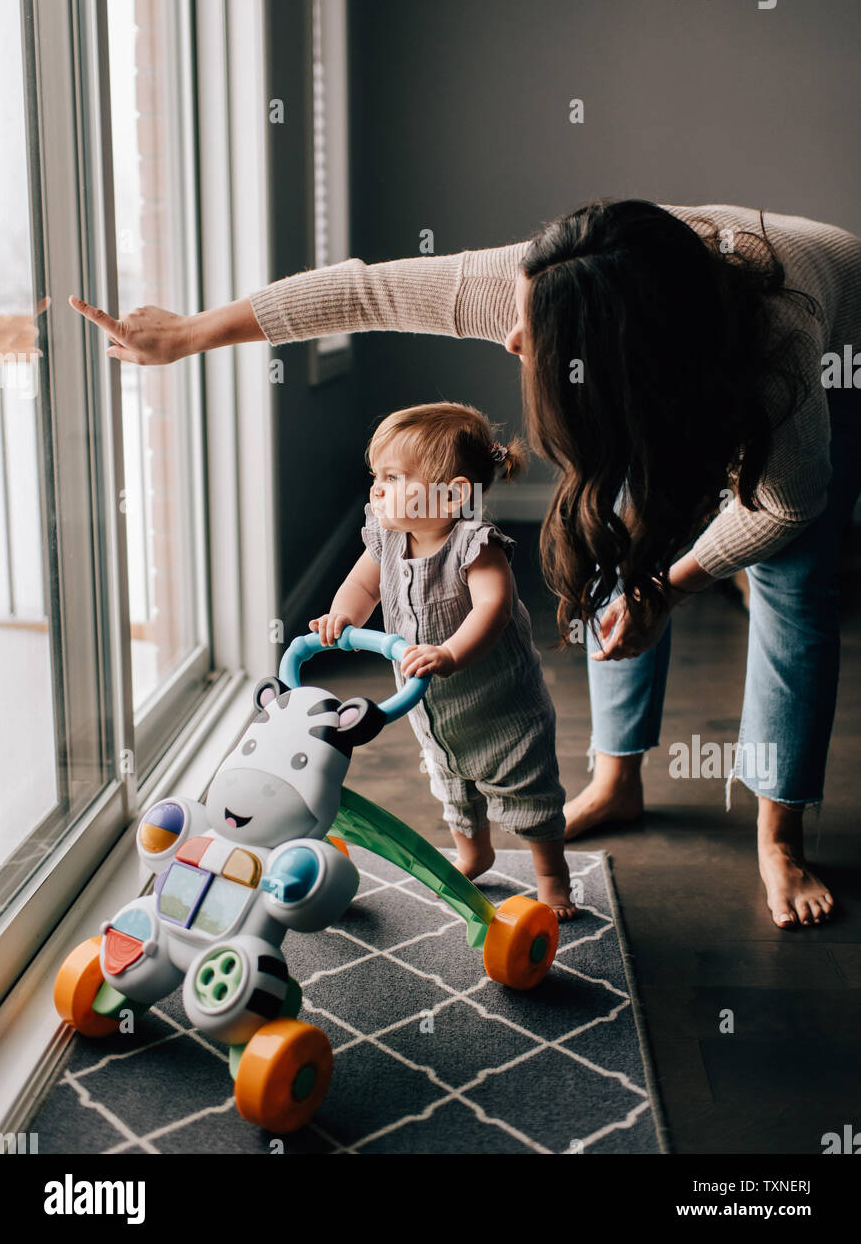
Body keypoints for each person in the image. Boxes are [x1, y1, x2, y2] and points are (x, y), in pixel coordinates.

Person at [69, 196, 861, 930]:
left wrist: (672, 586)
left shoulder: (775, 351)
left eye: (533, 338)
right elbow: (362, 294)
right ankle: (617, 781)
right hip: (661, 352)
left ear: (612, 354)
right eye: (518, 317)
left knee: (792, 581)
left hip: (839, 333)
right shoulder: (549, 283)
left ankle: (780, 835)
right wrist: (187, 336)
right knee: (616, 546)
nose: (513, 341)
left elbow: (785, 504)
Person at [308, 400, 576, 920]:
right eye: (375, 475)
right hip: (433, 710)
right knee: (451, 785)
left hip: (501, 709)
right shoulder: (386, 536)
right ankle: (475, 853)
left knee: (527, 793)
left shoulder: (475, 546)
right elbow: (364, 585)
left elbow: (493, 608)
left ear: (453, 493)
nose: (376, 488)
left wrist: (452, 652)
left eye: (392, 476)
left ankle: (551, 876)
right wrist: (342, 616)